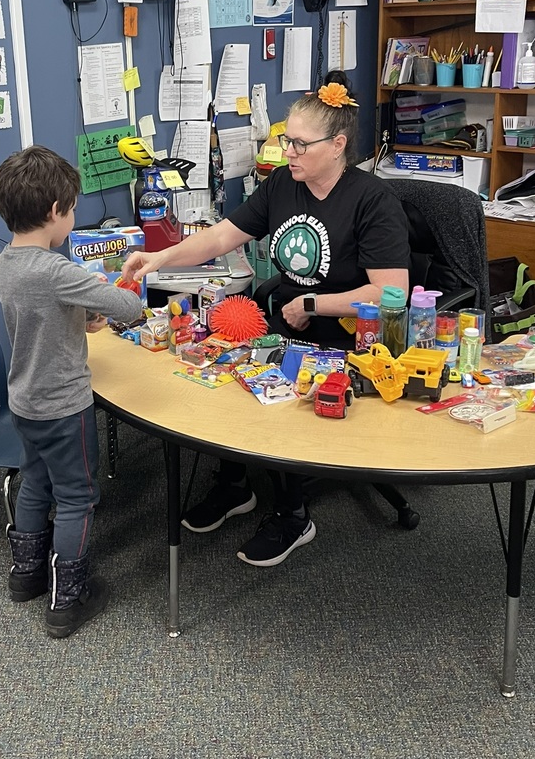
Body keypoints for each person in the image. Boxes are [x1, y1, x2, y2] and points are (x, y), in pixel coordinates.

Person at [121, 74, 409, 568]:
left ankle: (294, 515)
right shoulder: (282, 184)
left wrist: (313, 304)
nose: (287, 152)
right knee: (227, 370)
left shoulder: (371, 200)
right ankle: (235, 486)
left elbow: (390, 292)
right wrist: (158, 257)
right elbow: (221, 237)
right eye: (286, 140)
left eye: (300, 144)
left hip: (347, 334)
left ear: (337, 145)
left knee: (282, 392)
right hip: (287, 322)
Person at [0, 145, 143, 638]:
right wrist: (117, 290)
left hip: (25, 402)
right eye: (73, 209)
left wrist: (83, 314)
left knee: (36, 481)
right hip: (64, 407)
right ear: (55, 211)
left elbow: (44, 317)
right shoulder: (56, 271)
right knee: (78, 496)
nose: (73, 219)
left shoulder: (6, 262)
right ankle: (67, 599)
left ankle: (26, 575)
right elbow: (128, 308)